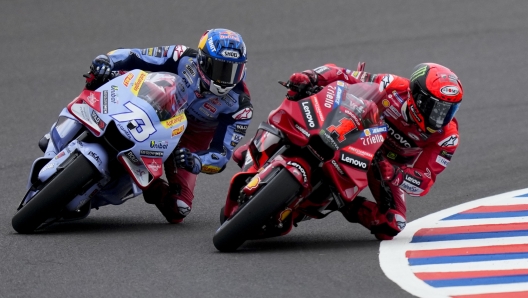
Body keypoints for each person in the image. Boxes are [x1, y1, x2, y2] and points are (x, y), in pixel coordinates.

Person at [233, 62, 463, 240]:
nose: (441, 117)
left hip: (385, 166)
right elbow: (344, 74)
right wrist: (312, 76)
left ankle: (342, 203)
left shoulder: (447, 136)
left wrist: (395, 173)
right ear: (417, 97)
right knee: (301, 94)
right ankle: (259, 146)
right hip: (356, 130)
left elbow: (424, 181)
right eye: (436, 107)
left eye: (449, 109)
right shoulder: (393, 85)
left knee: (392, 225)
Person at [88, 28, 253, 223]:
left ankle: (148, 182)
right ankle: (81, 115)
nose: (226, 78)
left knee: (179, 208)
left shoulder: (240, 106)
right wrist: (108, 61)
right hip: (155, 109)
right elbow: (136, 55)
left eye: (234, 70)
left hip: (187, 142)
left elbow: (221, 154)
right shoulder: (182, 56)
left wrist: (195, 161)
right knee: (103, 73)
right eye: (220, 68)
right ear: (202, 60)